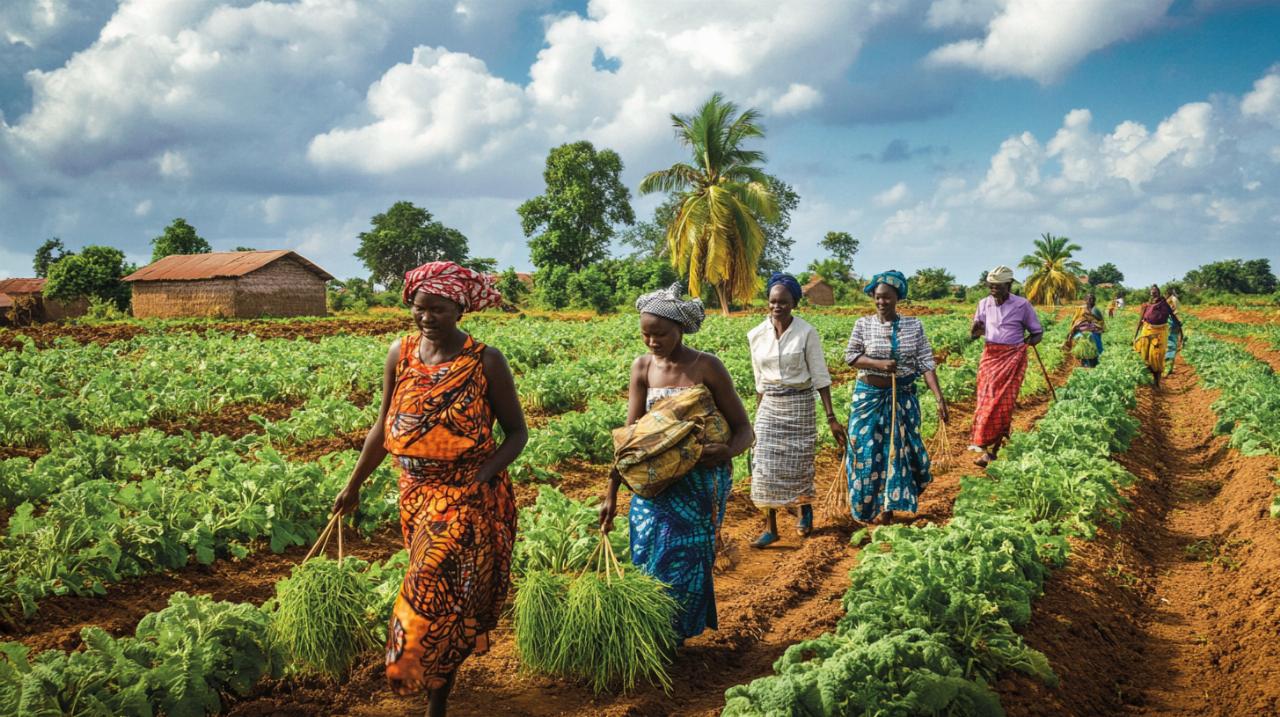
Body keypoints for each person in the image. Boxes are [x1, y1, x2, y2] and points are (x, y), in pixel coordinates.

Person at [332, 261, 525, 717]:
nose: (426, 318)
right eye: (419, 309)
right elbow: (382, 426)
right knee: (451, 601)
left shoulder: (485, 360)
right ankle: (438, 684)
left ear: (459, 308)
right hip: (414, 493)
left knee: (427, 585)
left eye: (436, 309)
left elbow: (517, 433)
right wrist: (353, 484)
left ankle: (425, 686)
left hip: (465, 497)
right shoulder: (400, 353)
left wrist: (483, 476)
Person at [600, 284, 753, 641]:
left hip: (699, 483)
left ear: (680, 329)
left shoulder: (707, 366)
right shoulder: (642, 368)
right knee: (645, 549)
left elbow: (745, 428)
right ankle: (653, 627)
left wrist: (729, 451)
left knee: (682, 556)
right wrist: (611, 493)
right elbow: (631, 438)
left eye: (660, 334)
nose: (652, 341)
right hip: (655, 481)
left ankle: (674, 635)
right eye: (645, 334)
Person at [841, 271, 948, 525]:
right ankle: (869, 508)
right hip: (869, 398)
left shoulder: (914, 325)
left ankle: (888, 508)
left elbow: (926, 363)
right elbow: (851, 356)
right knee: (865, 452)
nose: (881, 303)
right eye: (877, 297)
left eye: (887, 298)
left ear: (897, 298)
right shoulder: (863, 325)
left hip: (903, 397)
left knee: (900, 452)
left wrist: (939, 397)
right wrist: (878, 364)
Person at [747, 272, 845, 547]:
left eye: (784, 302)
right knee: (764, 464)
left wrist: (831, 418)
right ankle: (771, 527)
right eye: (773, 302)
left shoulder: (806, 332)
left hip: (800, 403)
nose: (777, 307)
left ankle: (804, 508)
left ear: (794, 304)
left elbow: (820, 376)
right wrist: (757, 419)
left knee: (799, 463)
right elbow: (758, 380)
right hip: (770, 405)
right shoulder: (755, 335)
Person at [969, 265, 1043, 467]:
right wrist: (975, 331)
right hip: (990, 358)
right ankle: (984, 445)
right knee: (985, 401)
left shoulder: (1022, 305)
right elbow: (976, 333)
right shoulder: (984, 304)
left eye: (998, 286)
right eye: (991, 286)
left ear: (1008, 285)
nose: (993, 290)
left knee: (1003, 404)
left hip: (1012, 359)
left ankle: (992, 451)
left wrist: (1026, 346)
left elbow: (1037, 332)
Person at [1133, 284, 1180, 388]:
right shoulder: (1146, 305)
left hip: (1160, 333)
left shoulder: (1164, 305)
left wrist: (1180, 329)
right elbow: (1139, 321)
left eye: (1155, 291)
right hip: (1146, 332)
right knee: (1145, 356)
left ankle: (1157, 381)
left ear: (1159, 293)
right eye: (1152, 291)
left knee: (1156, 356)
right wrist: (1135, 335)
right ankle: (1148, 380)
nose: (1153, 293)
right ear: (1150, 293)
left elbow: (1173, 316)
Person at [1066, 293, 1106, 368]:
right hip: (1081, 331)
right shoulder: (1080, 310)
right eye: (1088, 299)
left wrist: (1092, 322)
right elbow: (1076, 320)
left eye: (1092, 299)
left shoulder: (1095, 310)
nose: (1091, 300)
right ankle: (1084, 363)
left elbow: (1100, 321)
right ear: (1085, 300)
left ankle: (1094, 363)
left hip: (1094, 331)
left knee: (1095, 347)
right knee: (1082, 347)